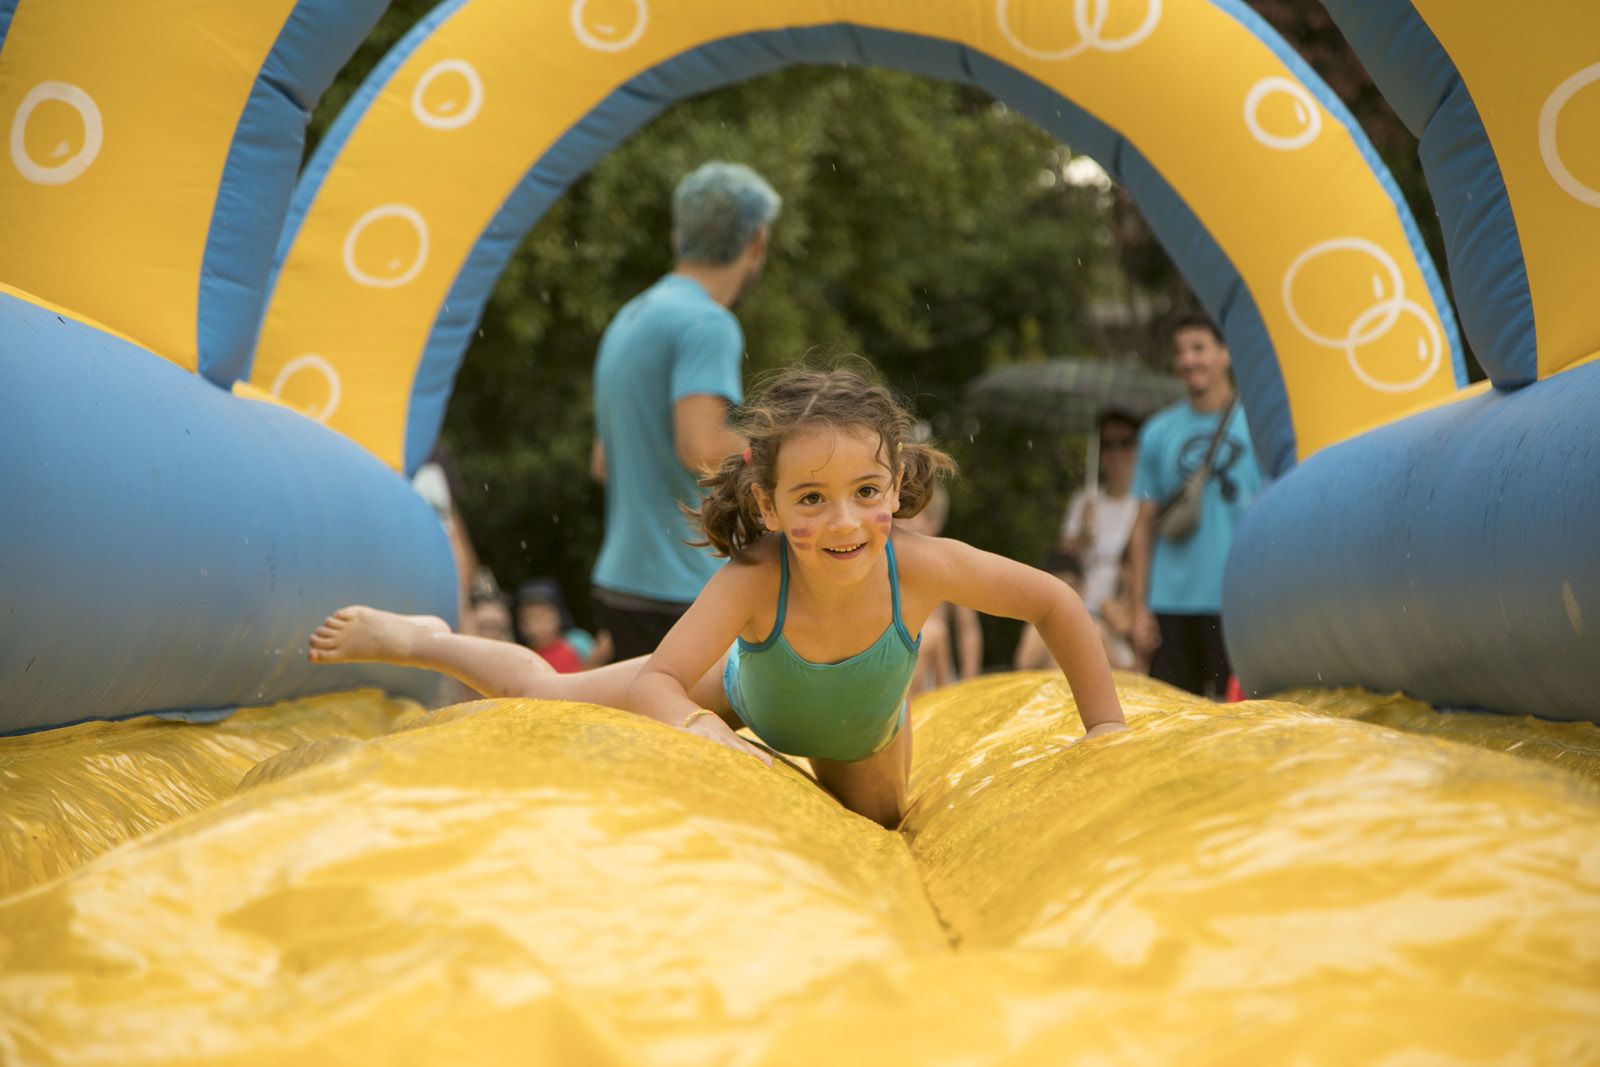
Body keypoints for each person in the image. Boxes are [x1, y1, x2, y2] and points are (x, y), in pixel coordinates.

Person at [310, 365, 1125, 828]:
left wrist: (1107, 732)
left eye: (865, 490)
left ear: (895, 487)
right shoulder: (757, 576)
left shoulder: (921, 566)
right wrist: (701, 726)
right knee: (548, 692)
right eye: (810, 498)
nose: (843, 521)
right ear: (768, 506)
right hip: (742, 691)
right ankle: (421, 637)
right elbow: (659, 678)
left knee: (885, 824)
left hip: (861, 727)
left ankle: (889, 704)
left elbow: (1055, 601)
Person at [589, 161, 781, 661]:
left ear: (679, 235)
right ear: (757, 242)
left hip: (621, 582)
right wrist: (791, 449)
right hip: (683, 588)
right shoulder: (707, 323)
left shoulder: (630, 316)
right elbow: (700, 447)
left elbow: (603, 462)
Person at [1126, 313, 1262, 698]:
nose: (1188, 360)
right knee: (1173, 729)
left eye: (1198, 348)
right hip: (1170, 604)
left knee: (1240, 723)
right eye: (1180, 351)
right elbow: (1142, 525)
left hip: (1240, 601)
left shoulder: (1258, 425)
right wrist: (1139, 609)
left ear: (1225, 353)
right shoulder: (1157, 431)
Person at [897, 484, 984, 696]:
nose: (902, 523)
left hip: (937, 672)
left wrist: (968, 682)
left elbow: (968, 629)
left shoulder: (944, 567)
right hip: (902, 669)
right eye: (899, 517)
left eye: (913, 516)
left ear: (934, 523)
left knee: (933, 632)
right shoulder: (889, 561)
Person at [1059, 410, 1141, 626]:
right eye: (1107, 444)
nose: (1116, 452)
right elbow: (1063, 558)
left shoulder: (1145, 506)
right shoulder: (1084, 501)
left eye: (1126, 442)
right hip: (1082, 601)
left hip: (1122, 609)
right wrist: (1084, 534)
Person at [1013, 551, 1085, 671]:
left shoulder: (1096, 628)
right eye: (1058, 592)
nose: (1065, 598)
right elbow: (1024, 664)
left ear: (1082, 588)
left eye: (1071, 589)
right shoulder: (1038, 628)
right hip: (1050, 687)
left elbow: (1117, 671)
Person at [515, 579, 584, 674]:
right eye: (530, 619)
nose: (537, 627)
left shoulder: (576, 642)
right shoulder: (523, 656)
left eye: (544, 618)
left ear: (559, 616)